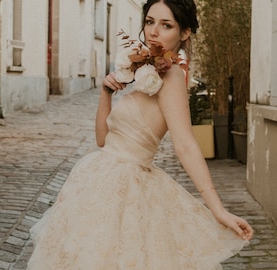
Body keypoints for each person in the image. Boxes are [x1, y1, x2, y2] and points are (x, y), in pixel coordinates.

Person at [27, 0, 253, 269]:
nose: (153, 31)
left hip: (126, 188)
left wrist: (217, 209)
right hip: (98, 180)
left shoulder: (171, 78)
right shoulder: (147, 70)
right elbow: (103, 140)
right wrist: (105, 93)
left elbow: (186, 145)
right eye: (149, 22)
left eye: (166, 25)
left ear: (184, 33)